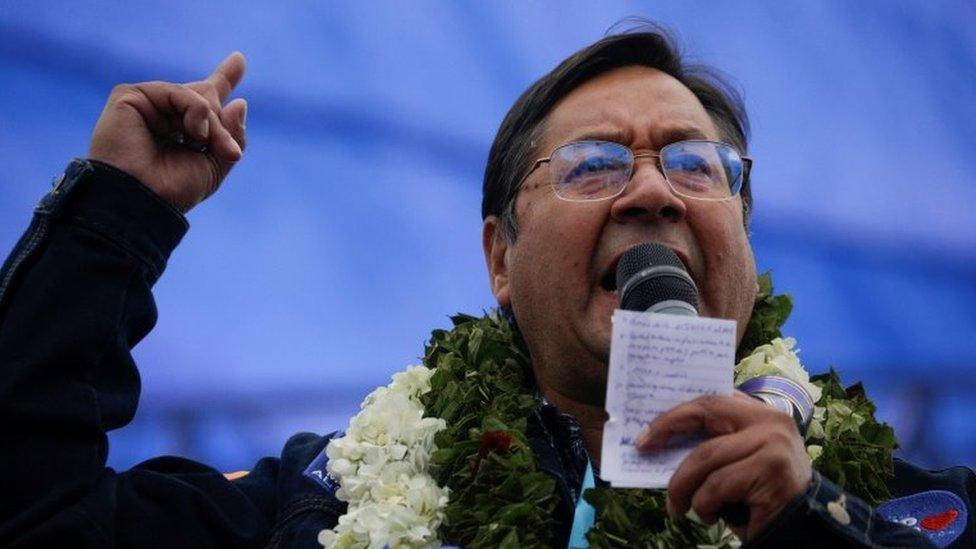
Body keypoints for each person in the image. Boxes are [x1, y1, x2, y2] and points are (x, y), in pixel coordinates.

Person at [0, 26, 970, 548]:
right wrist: (113, 218)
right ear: (498, 260)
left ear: (746, 245)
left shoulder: (912, 507)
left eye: (692, 163)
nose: (648, 190)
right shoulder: (320, 504)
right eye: (593, 164)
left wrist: (810, 533)